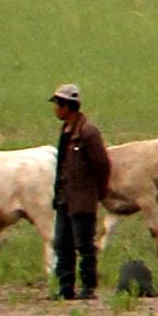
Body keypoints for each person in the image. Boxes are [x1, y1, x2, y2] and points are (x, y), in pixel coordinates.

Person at [50, 82, 114, 300]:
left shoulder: (88, 133)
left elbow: (102, 165)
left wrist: (98, 191)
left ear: (66, 106)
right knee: (62, 244)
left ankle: (88, 287)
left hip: (82, 199)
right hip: (64, 198)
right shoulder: (66, 131)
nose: (55, 109)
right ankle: (65, 288)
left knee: (84, 245)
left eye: (57, 104)